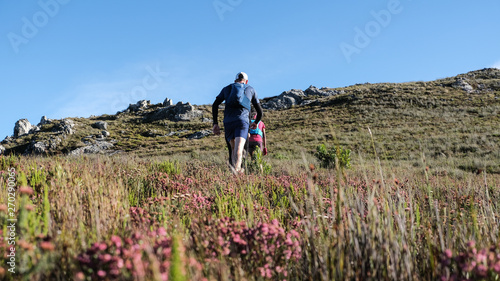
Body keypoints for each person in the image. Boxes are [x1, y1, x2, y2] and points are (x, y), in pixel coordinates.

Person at [212, 72, 263, 173]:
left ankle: (232, 172)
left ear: (235, 80)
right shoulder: (250, 89)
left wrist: (215, 123)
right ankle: (236, 171)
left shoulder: (227, 88)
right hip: (242, 121)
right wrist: (256, 122)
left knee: (232, 148)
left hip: (228, 121)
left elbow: (215, 105)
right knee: (239, 148)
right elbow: (260, 112)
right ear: (246, 81)